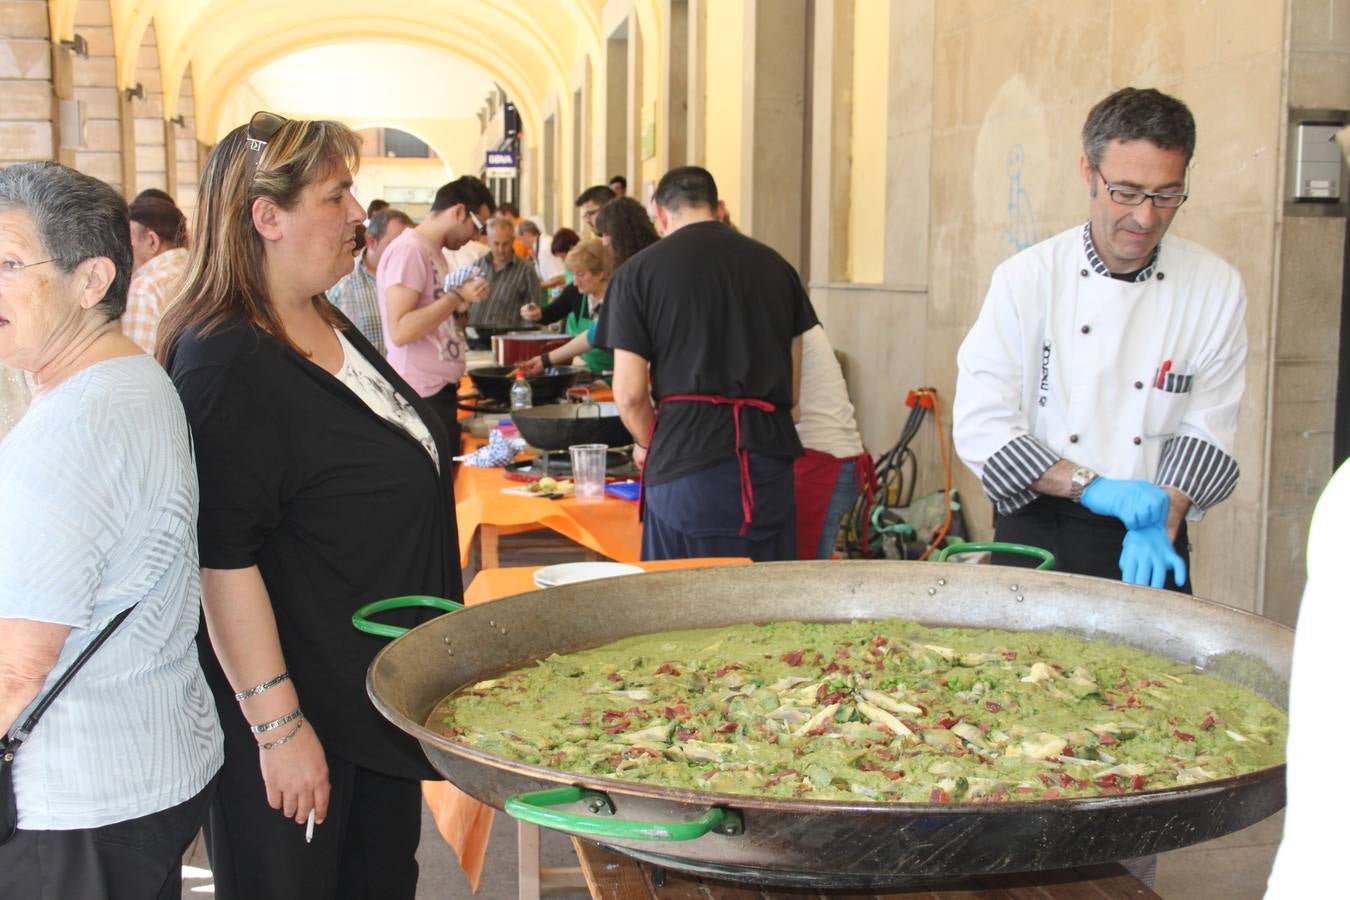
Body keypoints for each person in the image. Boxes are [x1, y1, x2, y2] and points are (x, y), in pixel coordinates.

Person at [157, 112, 463, 900]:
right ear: (267, 218)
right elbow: (221, 559)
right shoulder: (227, 360)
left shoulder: (320, 317)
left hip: (372, 704)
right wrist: (280, 730)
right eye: (336, 196)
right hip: (305, 718)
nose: (359, 213)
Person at [0, 161, 222, 898]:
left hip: (76, 791)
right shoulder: (129, 378)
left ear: (92, 281)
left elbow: (16, 669)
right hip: (144, 765)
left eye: (7, 262)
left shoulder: (76, 422)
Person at [953, 87, 1247, 594]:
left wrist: (1165, 519)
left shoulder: (1215, 286)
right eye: (1127, 192)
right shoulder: (1027, 279)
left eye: (1166, 195)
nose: (1145, 217)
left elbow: (1209, 426)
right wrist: (1095, 487)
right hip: (1037, 532)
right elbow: (983, 428)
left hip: (1152, 538)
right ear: (1088, 173)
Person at [601, 166, 817, 561]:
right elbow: (794, 394)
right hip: (768, 466)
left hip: (685, 465)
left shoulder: (637, 274)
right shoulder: (778, 268)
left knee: (680, 610)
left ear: (661, 215)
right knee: (765, 608)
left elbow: (630, 395)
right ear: (719, 208)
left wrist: (651, 443)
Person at [377, 177, 493, 439]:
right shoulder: (410, 250)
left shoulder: (433, 251)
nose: (477, 236)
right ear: (459, 211)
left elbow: (435, 317)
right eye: (477, 226)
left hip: (436, 391)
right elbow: (400, 330)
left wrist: (461, 305)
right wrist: (455, 297)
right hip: (420, 395)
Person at [522, 198, 660, 378]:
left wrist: (546, 360)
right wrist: (545, 360)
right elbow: (596, 332)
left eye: (605, 235)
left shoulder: (632, 279)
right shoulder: (640, 272)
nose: (604, 243)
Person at [794, 324, 869, 559]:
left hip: (821, 462)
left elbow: (789, 408)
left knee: (803, 579)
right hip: (819, 458)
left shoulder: (779, 309)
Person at [327, 208, 413, 353]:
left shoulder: (413, 279)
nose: (403, 252)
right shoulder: (345, 284)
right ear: (372, 242)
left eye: (408, 245)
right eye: (394, 245)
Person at [523, 239, 612, 377]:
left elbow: (592, 336)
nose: (575, 282)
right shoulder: (576, 291)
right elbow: (551, 313)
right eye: (574, 274)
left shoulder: (616, 300)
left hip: (614, 376)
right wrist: (535, 313)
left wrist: (546, 360)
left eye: (581, 274)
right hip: (586, 373)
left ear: (600, 273)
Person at [122, 194, 189, 353]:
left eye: (127, 240)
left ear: (152, 241)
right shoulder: (200, 272)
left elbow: (138, 368)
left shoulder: (145, 290)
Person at [467, 216, 541, 335]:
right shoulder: (478, 265)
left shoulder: (526, 270)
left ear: (513, 240)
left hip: (507, 340)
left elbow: (532, 311)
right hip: (475, 337)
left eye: (505, 244)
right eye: (496, 244)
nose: (501, 249)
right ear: (488, 241)